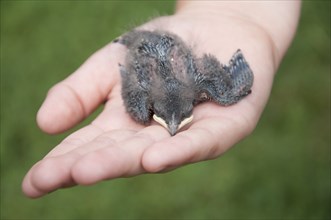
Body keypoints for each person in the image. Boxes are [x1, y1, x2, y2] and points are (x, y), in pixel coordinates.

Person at [22, 1, 301, 198]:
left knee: (230, 93)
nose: (172, 128)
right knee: (225, 93)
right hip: (144, 44)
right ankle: (132, 39)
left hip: (158, 47)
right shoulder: (147, 96)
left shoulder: (193, 85)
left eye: (176, 119)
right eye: (170, 120)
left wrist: (235, 15)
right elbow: (139, 81)